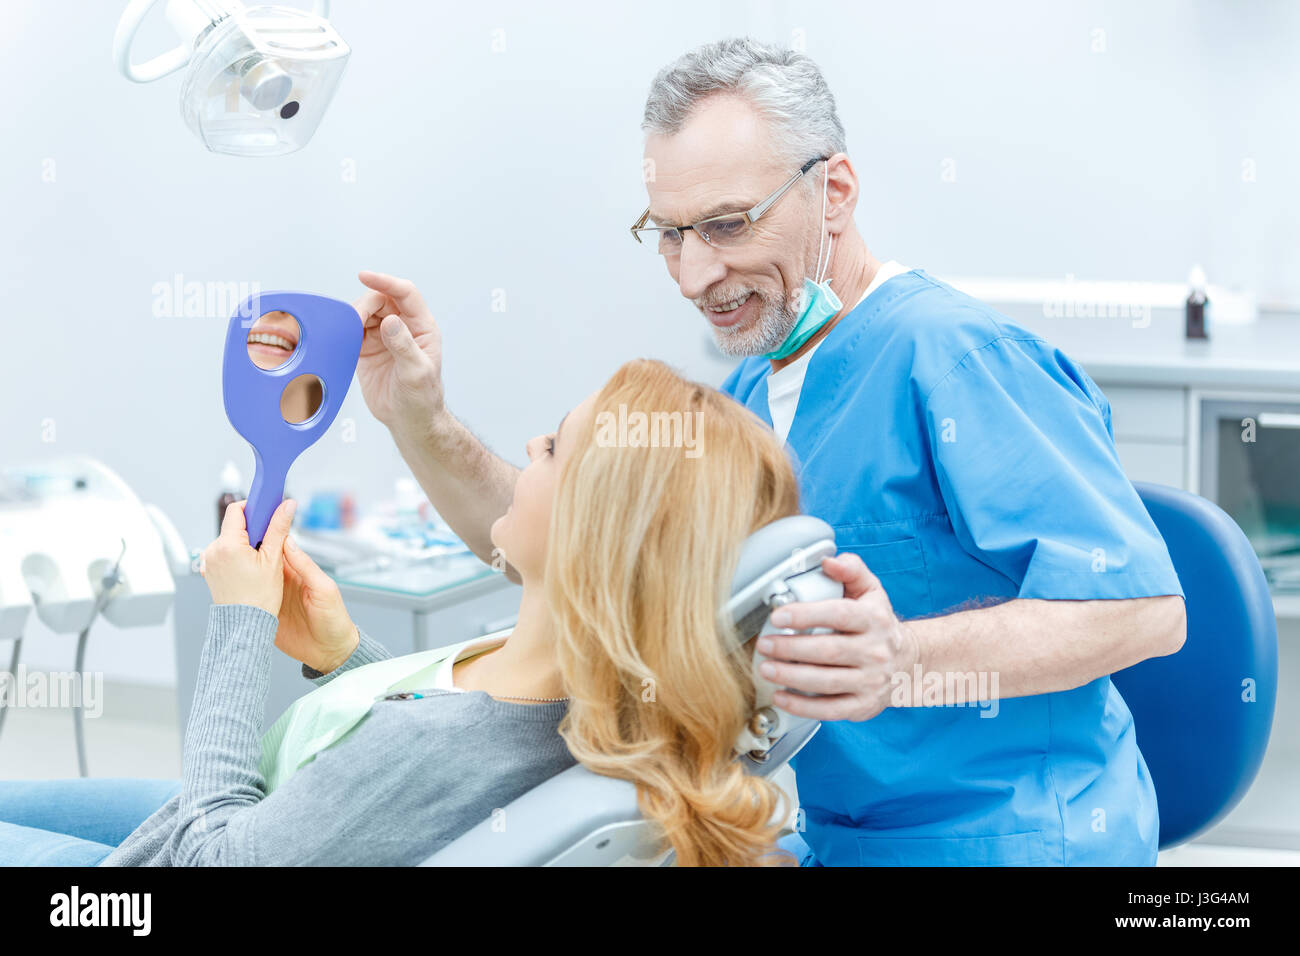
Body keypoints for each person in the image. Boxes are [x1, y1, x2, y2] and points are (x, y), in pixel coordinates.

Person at [349, 37, 1187, 866]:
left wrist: (902, 661)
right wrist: (421, 421)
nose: (691, 275)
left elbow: (1144, 611)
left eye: (724, 225)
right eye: (670, 234)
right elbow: (567, 546)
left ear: (835, 192)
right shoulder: (752, 394)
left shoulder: (954, 356)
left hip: (1012, 841)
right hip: (835, 837)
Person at [0, 359, 829, 867]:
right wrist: (344, 652)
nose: (526, 458)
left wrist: (239, 624)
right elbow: (413, 790)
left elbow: (207, 859)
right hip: (257, 821)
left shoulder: (450, 747)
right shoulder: (589, 696)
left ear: (590, 529)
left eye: (548, 450)